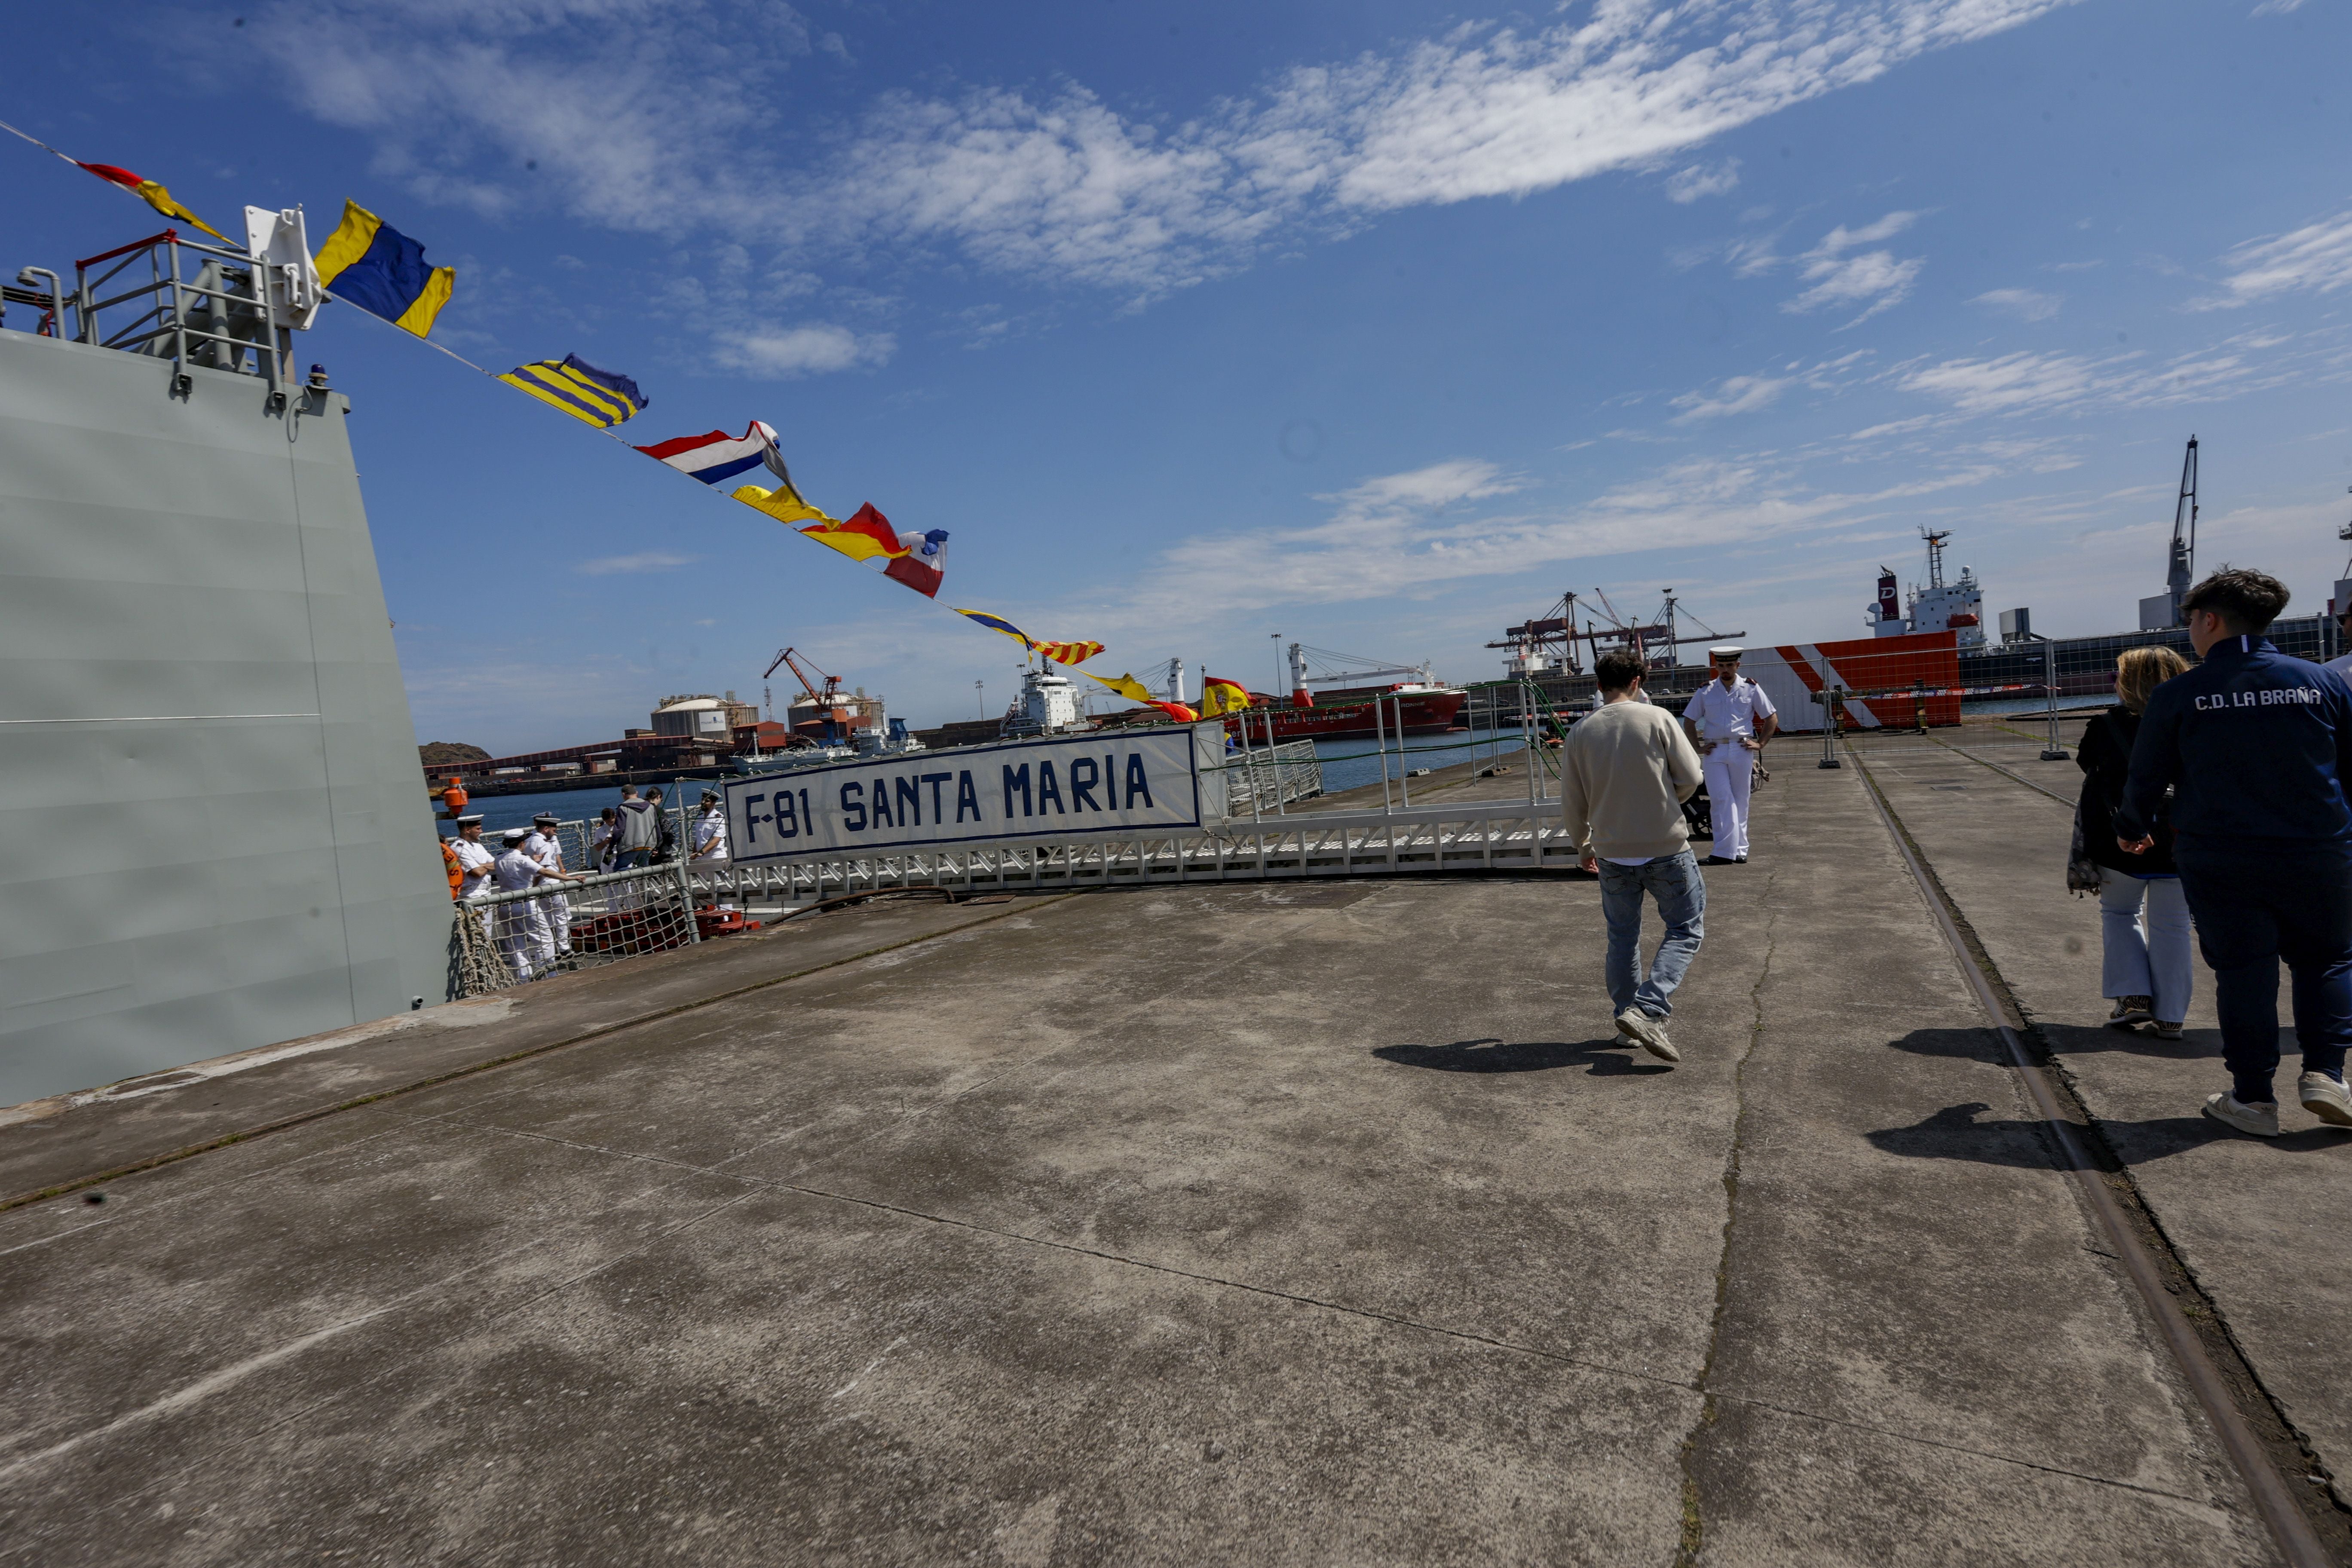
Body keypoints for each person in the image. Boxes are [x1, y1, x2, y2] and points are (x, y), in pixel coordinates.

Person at [2117, 567, 2352, 1137]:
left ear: (2210, 620)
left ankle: (2254, 1099)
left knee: (2246, 972)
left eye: (2192, 621)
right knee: (2327, 960)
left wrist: (2133, 827)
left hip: (2222, 856)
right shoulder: (2322, 683)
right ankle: (2327, 1076)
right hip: (2319, 849)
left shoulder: (2179, 695)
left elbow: (2146, 777)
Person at [1562, 648, 1708, 1063]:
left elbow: (1573, 802)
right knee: (1685, 929)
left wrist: (1583, 845)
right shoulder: (1658, 718)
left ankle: (1625, 1024)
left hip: (1610, 850)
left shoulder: (1580, 732)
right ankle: (1647, 1010)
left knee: (1622, 938)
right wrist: (1667, 801)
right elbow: (1692, 776)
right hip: (1665, 846)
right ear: (1638, 682)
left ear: (1598, 685)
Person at [2076, 646, 2193, 1037]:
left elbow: (2087, 766)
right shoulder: (2192, 720)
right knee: (2174, 927)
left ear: (2129, 684)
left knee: (2120, 913)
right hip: (2180, 837)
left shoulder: (2105, 726)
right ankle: (2172, 1015)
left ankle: (2133, 996)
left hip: (2120, 837)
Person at [1680, 645, 1777, 864]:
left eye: (1729, 665)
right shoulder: (1706, 690)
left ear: (1737, 665)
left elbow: (1771, 717)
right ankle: (1724, 851)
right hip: (1715, 751)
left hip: (1742, 749)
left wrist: (1761, 744)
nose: (1725, 670)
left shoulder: (1750, 689)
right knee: (1722, 799)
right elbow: (1689, 720)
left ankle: (1740, 850)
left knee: (1742, 801)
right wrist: (1697, 747)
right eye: (1721, 665)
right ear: (1716, 666)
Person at [490, 827, 581, 980]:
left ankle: (523, 978)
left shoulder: (499, 859)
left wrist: (533, 861)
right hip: (525, 904)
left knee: (516, 944)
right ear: (521, 843)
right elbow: (545, 872)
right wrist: (570, 879)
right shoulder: (523, 859)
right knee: (545, 940)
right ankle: (547, 975)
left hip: (505, 905)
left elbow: (514, 866)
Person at [522, 812, 573, 962]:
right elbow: (542, 869)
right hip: (550, 883)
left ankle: (552, 948)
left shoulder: (532, 841)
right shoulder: (543, 843)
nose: (556, 831)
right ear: (546, 828)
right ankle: (564, 948)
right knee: (561, 916)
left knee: (548, 919)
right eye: (553, 828)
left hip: (542, 886)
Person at [447, 815, 496, 941]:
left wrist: (481, 866)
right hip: (472, 895)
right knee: (477, 936)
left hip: (487, 893)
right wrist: (484, 867)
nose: (481, 832)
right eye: (478, 829)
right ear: (467, 830)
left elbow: (497, 865)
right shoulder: (458, 849)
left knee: (488, 934)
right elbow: (477, 873)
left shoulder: (478, 847)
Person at [612, 785, 658, 870]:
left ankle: (636, 872)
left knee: (618, 870)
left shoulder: (623, 808)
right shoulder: (650, 807)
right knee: (645, 870)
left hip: (630, 846)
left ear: (623, 795)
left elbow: (619, 831)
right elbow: (657, 827)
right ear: (637, 793)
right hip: (648, 845)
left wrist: (611, 845)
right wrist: (657, 846)